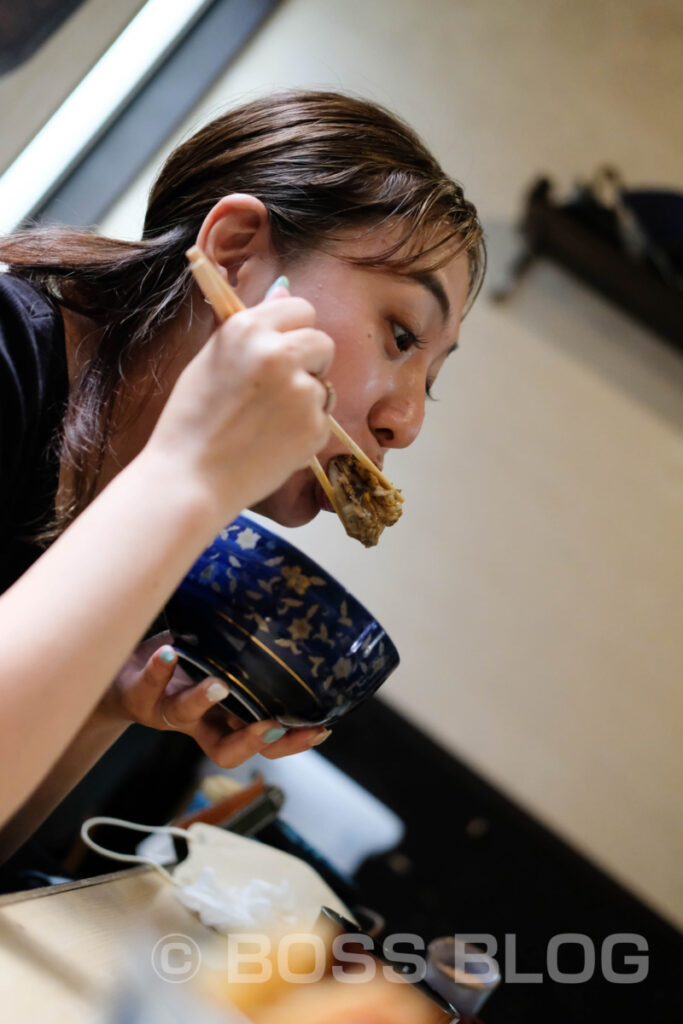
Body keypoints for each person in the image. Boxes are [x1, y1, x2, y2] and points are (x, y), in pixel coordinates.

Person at [0, 90, 485, 858]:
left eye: (429, 380)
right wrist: (187, 477)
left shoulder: (150, 521)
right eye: (399, 334)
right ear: (232, 254)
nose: (407, 421)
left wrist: (103, 703)